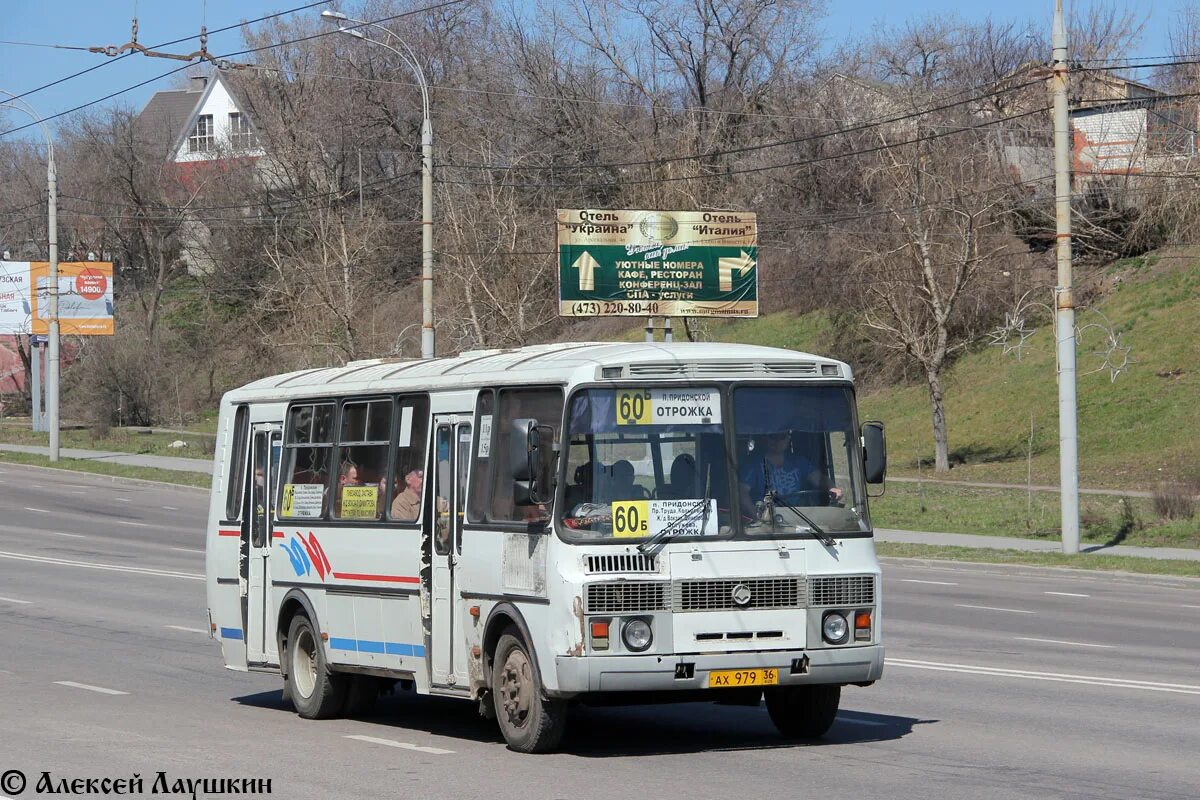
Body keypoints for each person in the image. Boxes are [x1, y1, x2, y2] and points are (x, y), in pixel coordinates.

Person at [739, 431, 842, 512]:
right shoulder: (752, 464)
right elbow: (742, 493)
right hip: (769, 518)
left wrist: (832, 488)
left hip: (800, 516)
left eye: (782, 436)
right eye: (773, 436)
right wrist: (757, 519)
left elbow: (819, 479)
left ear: (788, 439)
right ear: (765, 438)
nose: (777, 441)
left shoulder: (799, 462)